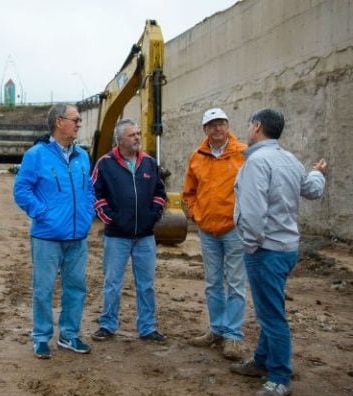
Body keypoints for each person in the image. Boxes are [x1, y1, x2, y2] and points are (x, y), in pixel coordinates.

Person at [230, 108, 327, 396]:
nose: (247, 129)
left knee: (272, 316)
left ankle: (280, 377)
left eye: (249, 124)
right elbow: (311, 190)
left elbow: (253, 213)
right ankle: (261, 360)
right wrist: (318, 173)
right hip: (286, 249)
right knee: (270, 308)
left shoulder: (256, 163)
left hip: (266, 251)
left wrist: (251, 244)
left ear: (257, 126)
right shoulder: (289, 159)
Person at [13, 103, 95, 359]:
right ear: (59, 122)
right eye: (75, 119)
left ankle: (69, 335)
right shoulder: (36, 155)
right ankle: (41, 337)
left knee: (76, 288)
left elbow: (89, 189)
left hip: (77, 237)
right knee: (43, 289)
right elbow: (21, 191)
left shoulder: (82, 155)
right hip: (47, 237)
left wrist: (87, 212)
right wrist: (43, 213)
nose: (79, 123)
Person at [91, 118, 167, 343]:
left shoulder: (149, 163)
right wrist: (111, 219)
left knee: (146, 284)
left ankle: (147, 327)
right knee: (112, 282)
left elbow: (160, 193)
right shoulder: (105, 164)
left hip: (145, 237)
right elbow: (95, 195)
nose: (137, 138)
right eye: (132, 135)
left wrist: (153, 216)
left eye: (138, 133)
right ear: (120, 140)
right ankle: (107, 324)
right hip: (116, 237)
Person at [182, 108, 249, 360]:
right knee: (213, 283)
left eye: (221, 123)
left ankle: (233, 335)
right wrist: (197, 214)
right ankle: (217, 329)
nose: (217, 128)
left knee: (235, 283)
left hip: (233, 230)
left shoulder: (243, 153)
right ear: (205, 130)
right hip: (208, 231)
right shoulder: (197, 157)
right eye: (212, 125)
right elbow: (189, 192)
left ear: (228, 125)